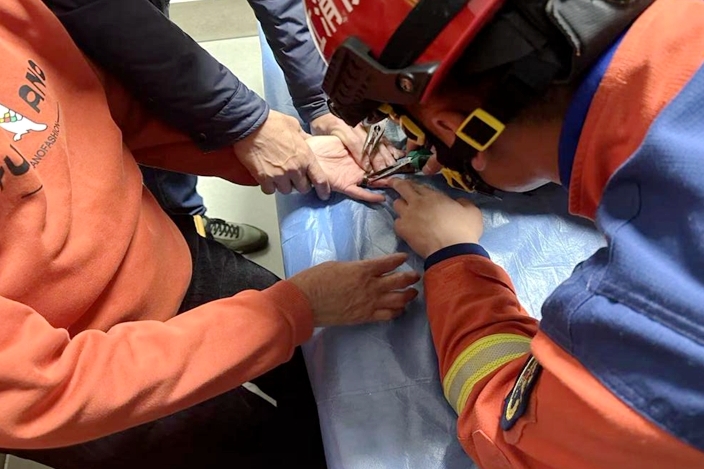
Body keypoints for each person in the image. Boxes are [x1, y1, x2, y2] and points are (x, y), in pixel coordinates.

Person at [0, 1, 420, 468]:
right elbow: (48, 390)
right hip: (100, 387)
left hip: (170, 254)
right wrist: (291, 309)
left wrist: (281, 153)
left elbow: (107, 108)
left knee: (319, 373)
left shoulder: (14, 16)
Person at [303, 0, 704, 467]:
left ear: (452, 128)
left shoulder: (648, 323)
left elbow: (508, 430)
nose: (413, 144)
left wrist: (453, 254)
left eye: (409, 126)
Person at [44, 0, 401, 254]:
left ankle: (190, 223)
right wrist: (247, 123)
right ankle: (181, 233)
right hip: (57, 49)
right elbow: (108, 17)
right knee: (109, 137)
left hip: (125, 21)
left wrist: (320, 101)